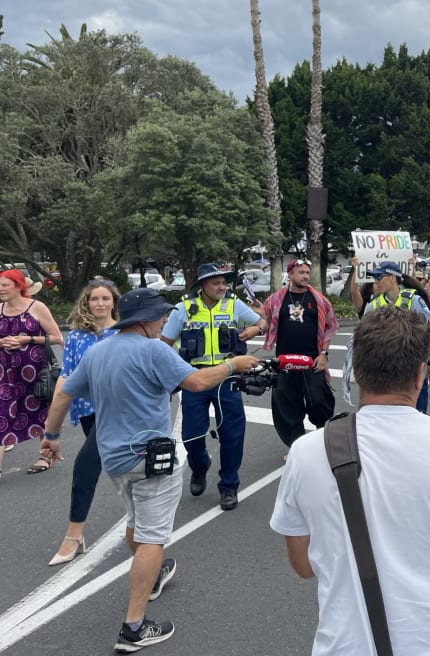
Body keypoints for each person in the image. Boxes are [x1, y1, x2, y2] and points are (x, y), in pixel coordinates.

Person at [271, 307, 430, 656]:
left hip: (343, 646)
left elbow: (304, 565)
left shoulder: (307, 451)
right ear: (419, 376)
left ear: (355, 374)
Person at [41, 288, 258, 652]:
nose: (164, 321)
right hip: (151, 458)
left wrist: (51, 435)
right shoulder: (153, 349)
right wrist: (234, 364)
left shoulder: (97, 352)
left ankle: (152, 575)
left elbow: (64, 392)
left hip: (114, 459)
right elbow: (198, 382)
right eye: (159, 316)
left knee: (135, 521)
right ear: (142, 319)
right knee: (153, 537)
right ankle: (134, 627)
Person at [160, 263, 267, 510]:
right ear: (202, 286)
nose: (222, 287)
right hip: (193, 378)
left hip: (228, 376)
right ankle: (200, 466)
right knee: (191, 435)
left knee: (232, 434)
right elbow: (164, 343)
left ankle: (229, 486)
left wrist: (255, 328)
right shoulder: (184, 308)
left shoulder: (233, 304)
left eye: (224, 282)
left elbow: (265, 322)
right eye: (216, 282)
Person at [44, 280, 119, 565]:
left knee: (86, 467)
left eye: (105, 298)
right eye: (93, 299)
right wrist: (54, 424)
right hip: (88, 410)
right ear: (86, 303)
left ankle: (74, 535)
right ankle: (145, 533)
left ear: (114, 302)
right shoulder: (76, 336)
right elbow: (66, 377)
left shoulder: (125, 333)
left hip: (116, 410)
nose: (99, 304)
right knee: (115, 470)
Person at [258, 259, 337, 448]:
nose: (306, 276)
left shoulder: (318, 299)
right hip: (285, 361)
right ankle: (297, 446)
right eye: (301, 273)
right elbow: (267, 321)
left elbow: (330, 326)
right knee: (287, 404)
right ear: (291, 274)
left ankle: (321, 442)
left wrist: (323, 354)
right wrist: (259, 316)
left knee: (319, 401)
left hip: (312, 360)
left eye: (307, 273)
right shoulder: (276, 299)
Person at [0, 268, 63, 477]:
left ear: (18, 287)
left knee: (40, 410)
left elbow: (56, 337)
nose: (0, 290)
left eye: (4, 285)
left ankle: (45, 456)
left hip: (34, 370)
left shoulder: (37, 307)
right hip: (5, 372)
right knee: (2, 412)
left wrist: (27, 339)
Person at [363, 261, 430, 411]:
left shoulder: (413, 300)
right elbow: (364, 340)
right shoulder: (373, 305)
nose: (376, 282)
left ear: (392, 278)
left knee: (418, 417)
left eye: (379, 277)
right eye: (375, 277)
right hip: (385, 370)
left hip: (413, 369)